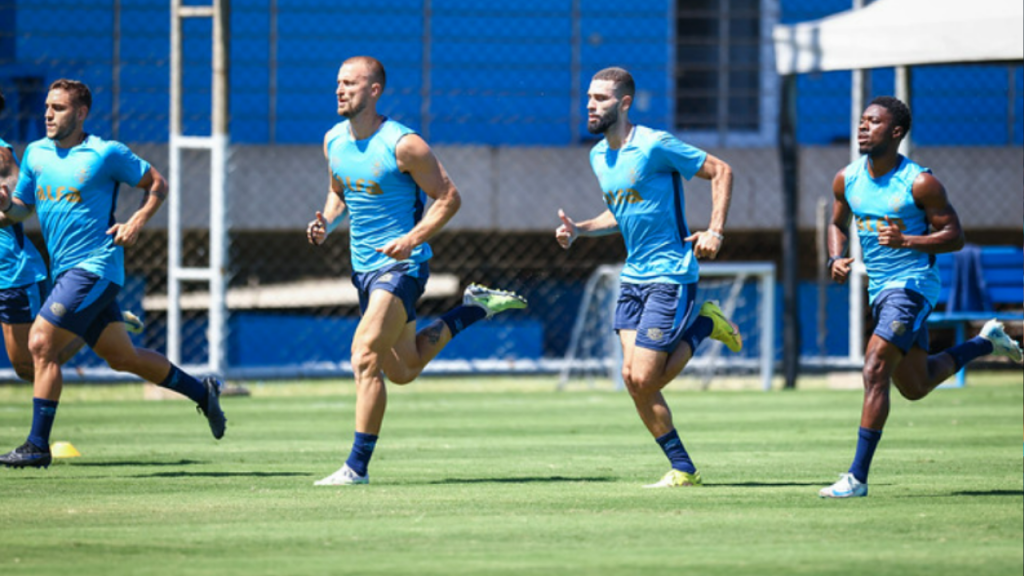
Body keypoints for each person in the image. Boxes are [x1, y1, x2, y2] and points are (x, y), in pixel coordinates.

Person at [306, 56, 527, 486]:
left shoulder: (404, 144)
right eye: (337, 82)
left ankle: (356, 468)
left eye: (350, 83)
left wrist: (411, 239)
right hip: (364, 270)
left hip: (402, 268)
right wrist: (327, 222)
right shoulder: (333, 140)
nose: (339, 89)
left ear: (374, 91)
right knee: (402, 370)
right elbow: (338, 193)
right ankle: (473, 310)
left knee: (364, 355)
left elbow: (448, 198)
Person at [0, 79, 227, 469]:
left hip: (97, 267)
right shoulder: (37, 154)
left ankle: (37, 445)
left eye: (58, 108)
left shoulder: (105, 153)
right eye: (47, 108)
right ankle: (202, 392)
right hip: (67, 273)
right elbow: (22, 209)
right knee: (122, 357)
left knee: (41, 343)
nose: (48, 115)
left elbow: (157, 183)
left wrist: (136, 221)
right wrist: (7, 204)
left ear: (81, 113)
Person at [819, 96, 1023, 498]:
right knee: (915, 385)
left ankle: (856, 478)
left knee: (875, 366)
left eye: (873, 122)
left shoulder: (920, 182)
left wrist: (906, 239)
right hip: (880, 288)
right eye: (861, 121)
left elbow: (955, 237)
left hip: (913, 285)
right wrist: (835, 257)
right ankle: (985, 342)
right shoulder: (847, 179)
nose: (863, 128)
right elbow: (837, 223)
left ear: (895, 132)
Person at [555, 67, 742, 488]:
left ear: (623, 104)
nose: (590, 104)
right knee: (631, 379)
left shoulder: (655, 144)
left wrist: (714, 231)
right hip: (633, 278)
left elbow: (722, 171)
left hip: (671, 275)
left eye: (601, 98)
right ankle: (683, 468)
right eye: (588, 97)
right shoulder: (598, 156)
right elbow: (621, 212)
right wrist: (581, 229)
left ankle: (705, 324)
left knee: (644, 378)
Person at [0, 88, 144, 384]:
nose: (49, 114)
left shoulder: (3, 153)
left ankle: (88, 320)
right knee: (37, 357)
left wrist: (5, 206)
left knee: (30, 365)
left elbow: (20, 203)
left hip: (11, 273)